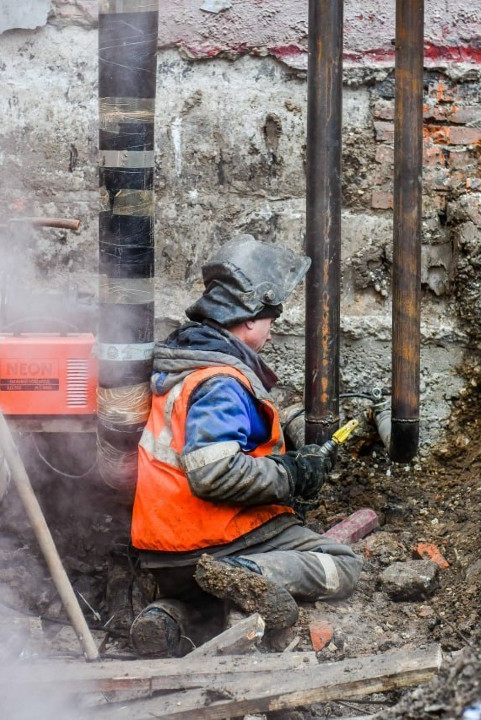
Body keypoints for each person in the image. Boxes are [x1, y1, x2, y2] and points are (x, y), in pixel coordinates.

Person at [128, 234, 363, 657]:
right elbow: (214, 472)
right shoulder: (219, 382)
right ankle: (244, 573)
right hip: (215, 543)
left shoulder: (186, 364)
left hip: (166, 551)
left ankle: (174, 614)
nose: (272, 334)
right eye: (272, 320)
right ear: (250, 318)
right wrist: (292, 474)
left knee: (203, 609)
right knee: (343, 563)